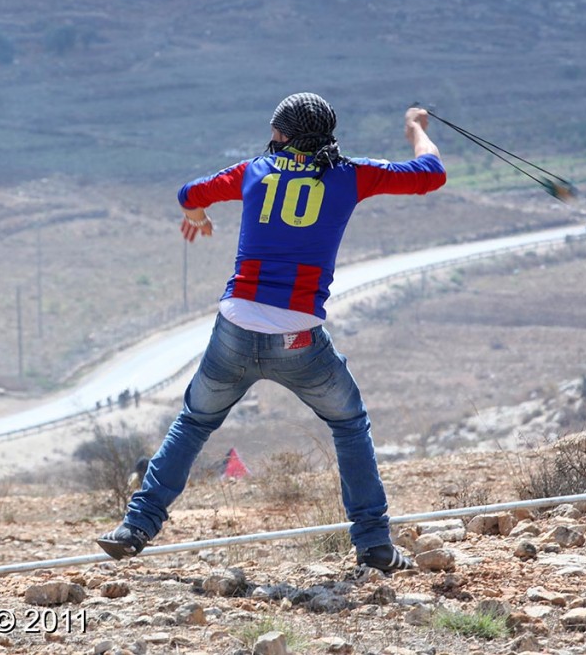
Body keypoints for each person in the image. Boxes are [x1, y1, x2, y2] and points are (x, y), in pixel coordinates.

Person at [97, 94, 446, 573]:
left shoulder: (252, 171)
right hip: (299, 338)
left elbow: (188, 193)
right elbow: (431, 173)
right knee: (348, 424)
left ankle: (135, 527)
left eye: (277, 131)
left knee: (196, 422)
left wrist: (198, 217)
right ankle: (374, 545)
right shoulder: (352, 175)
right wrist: (415, 129)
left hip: (234, 328)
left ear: (284, 135)